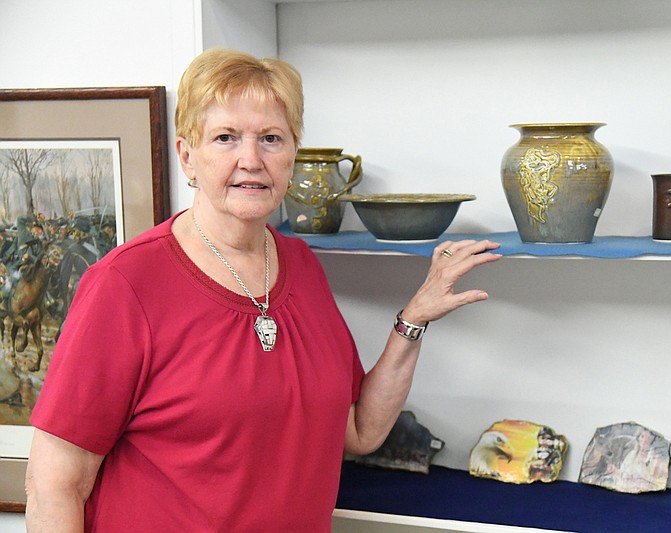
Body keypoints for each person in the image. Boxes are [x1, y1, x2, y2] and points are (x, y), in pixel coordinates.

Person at [24, 48, 501, 532]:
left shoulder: (301, 266)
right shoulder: (125, 285)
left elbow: (359, 431)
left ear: (292, 156)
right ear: (188, 156)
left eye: (271, 138)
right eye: (226, 138)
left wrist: (413, 318)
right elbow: (54, 488)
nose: (251, 159)